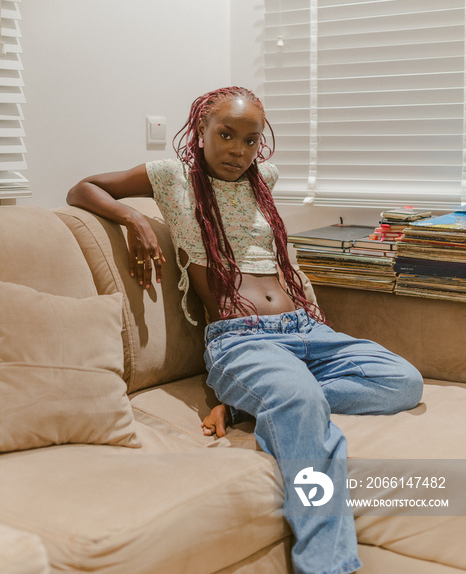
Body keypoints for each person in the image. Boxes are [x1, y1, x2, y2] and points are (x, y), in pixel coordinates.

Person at [67, 86, 423, 574]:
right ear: (201, 131)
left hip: (304, 328)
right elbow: (83, 188)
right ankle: (328, 565)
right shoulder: (172, 178)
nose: (238, 150)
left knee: (402, 380)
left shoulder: (263, 180)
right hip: (242, 338)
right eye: (226, 135)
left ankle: (246, 406)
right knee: (300, 403)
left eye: (251, 140)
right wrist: (132, 218)